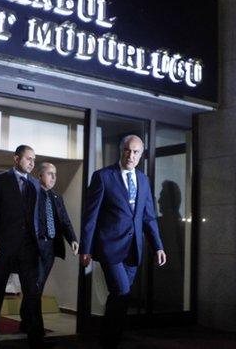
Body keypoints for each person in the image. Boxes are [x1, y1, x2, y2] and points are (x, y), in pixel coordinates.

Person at [79, 135, 167, 349]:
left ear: (141, 155)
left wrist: (158, 246)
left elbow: (148, 216)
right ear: (121, 150)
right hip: (109, 247)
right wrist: (86, 248)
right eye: (128, 150)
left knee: (119, 296)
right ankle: (110, 342)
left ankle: (108, 338)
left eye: (136, 152)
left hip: (133, 249)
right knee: (121, 292)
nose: (131, 155)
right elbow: (90, 216)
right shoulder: (103, 176)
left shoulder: (144, 180)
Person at [0, 145, 44, 349]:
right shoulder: (0, 180)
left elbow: (38, 217)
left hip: (28, 249)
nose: (32, 163)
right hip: (4, 246)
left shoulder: (35, 184)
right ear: (16, 158)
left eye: (34, 160)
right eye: (28, 159)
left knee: (32, 294)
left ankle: (35, 337)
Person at [19, 162, 78, 332]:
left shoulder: (57, 197)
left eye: (55, 174)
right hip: (34, 248)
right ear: (39, 176)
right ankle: (36, 330)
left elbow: (65, 221)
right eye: (49, 173)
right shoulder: (30, 196)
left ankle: (26, 320)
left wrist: (72, 239)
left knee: (36, 287)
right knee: (36, 288)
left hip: (50, 249)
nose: (53, 177)